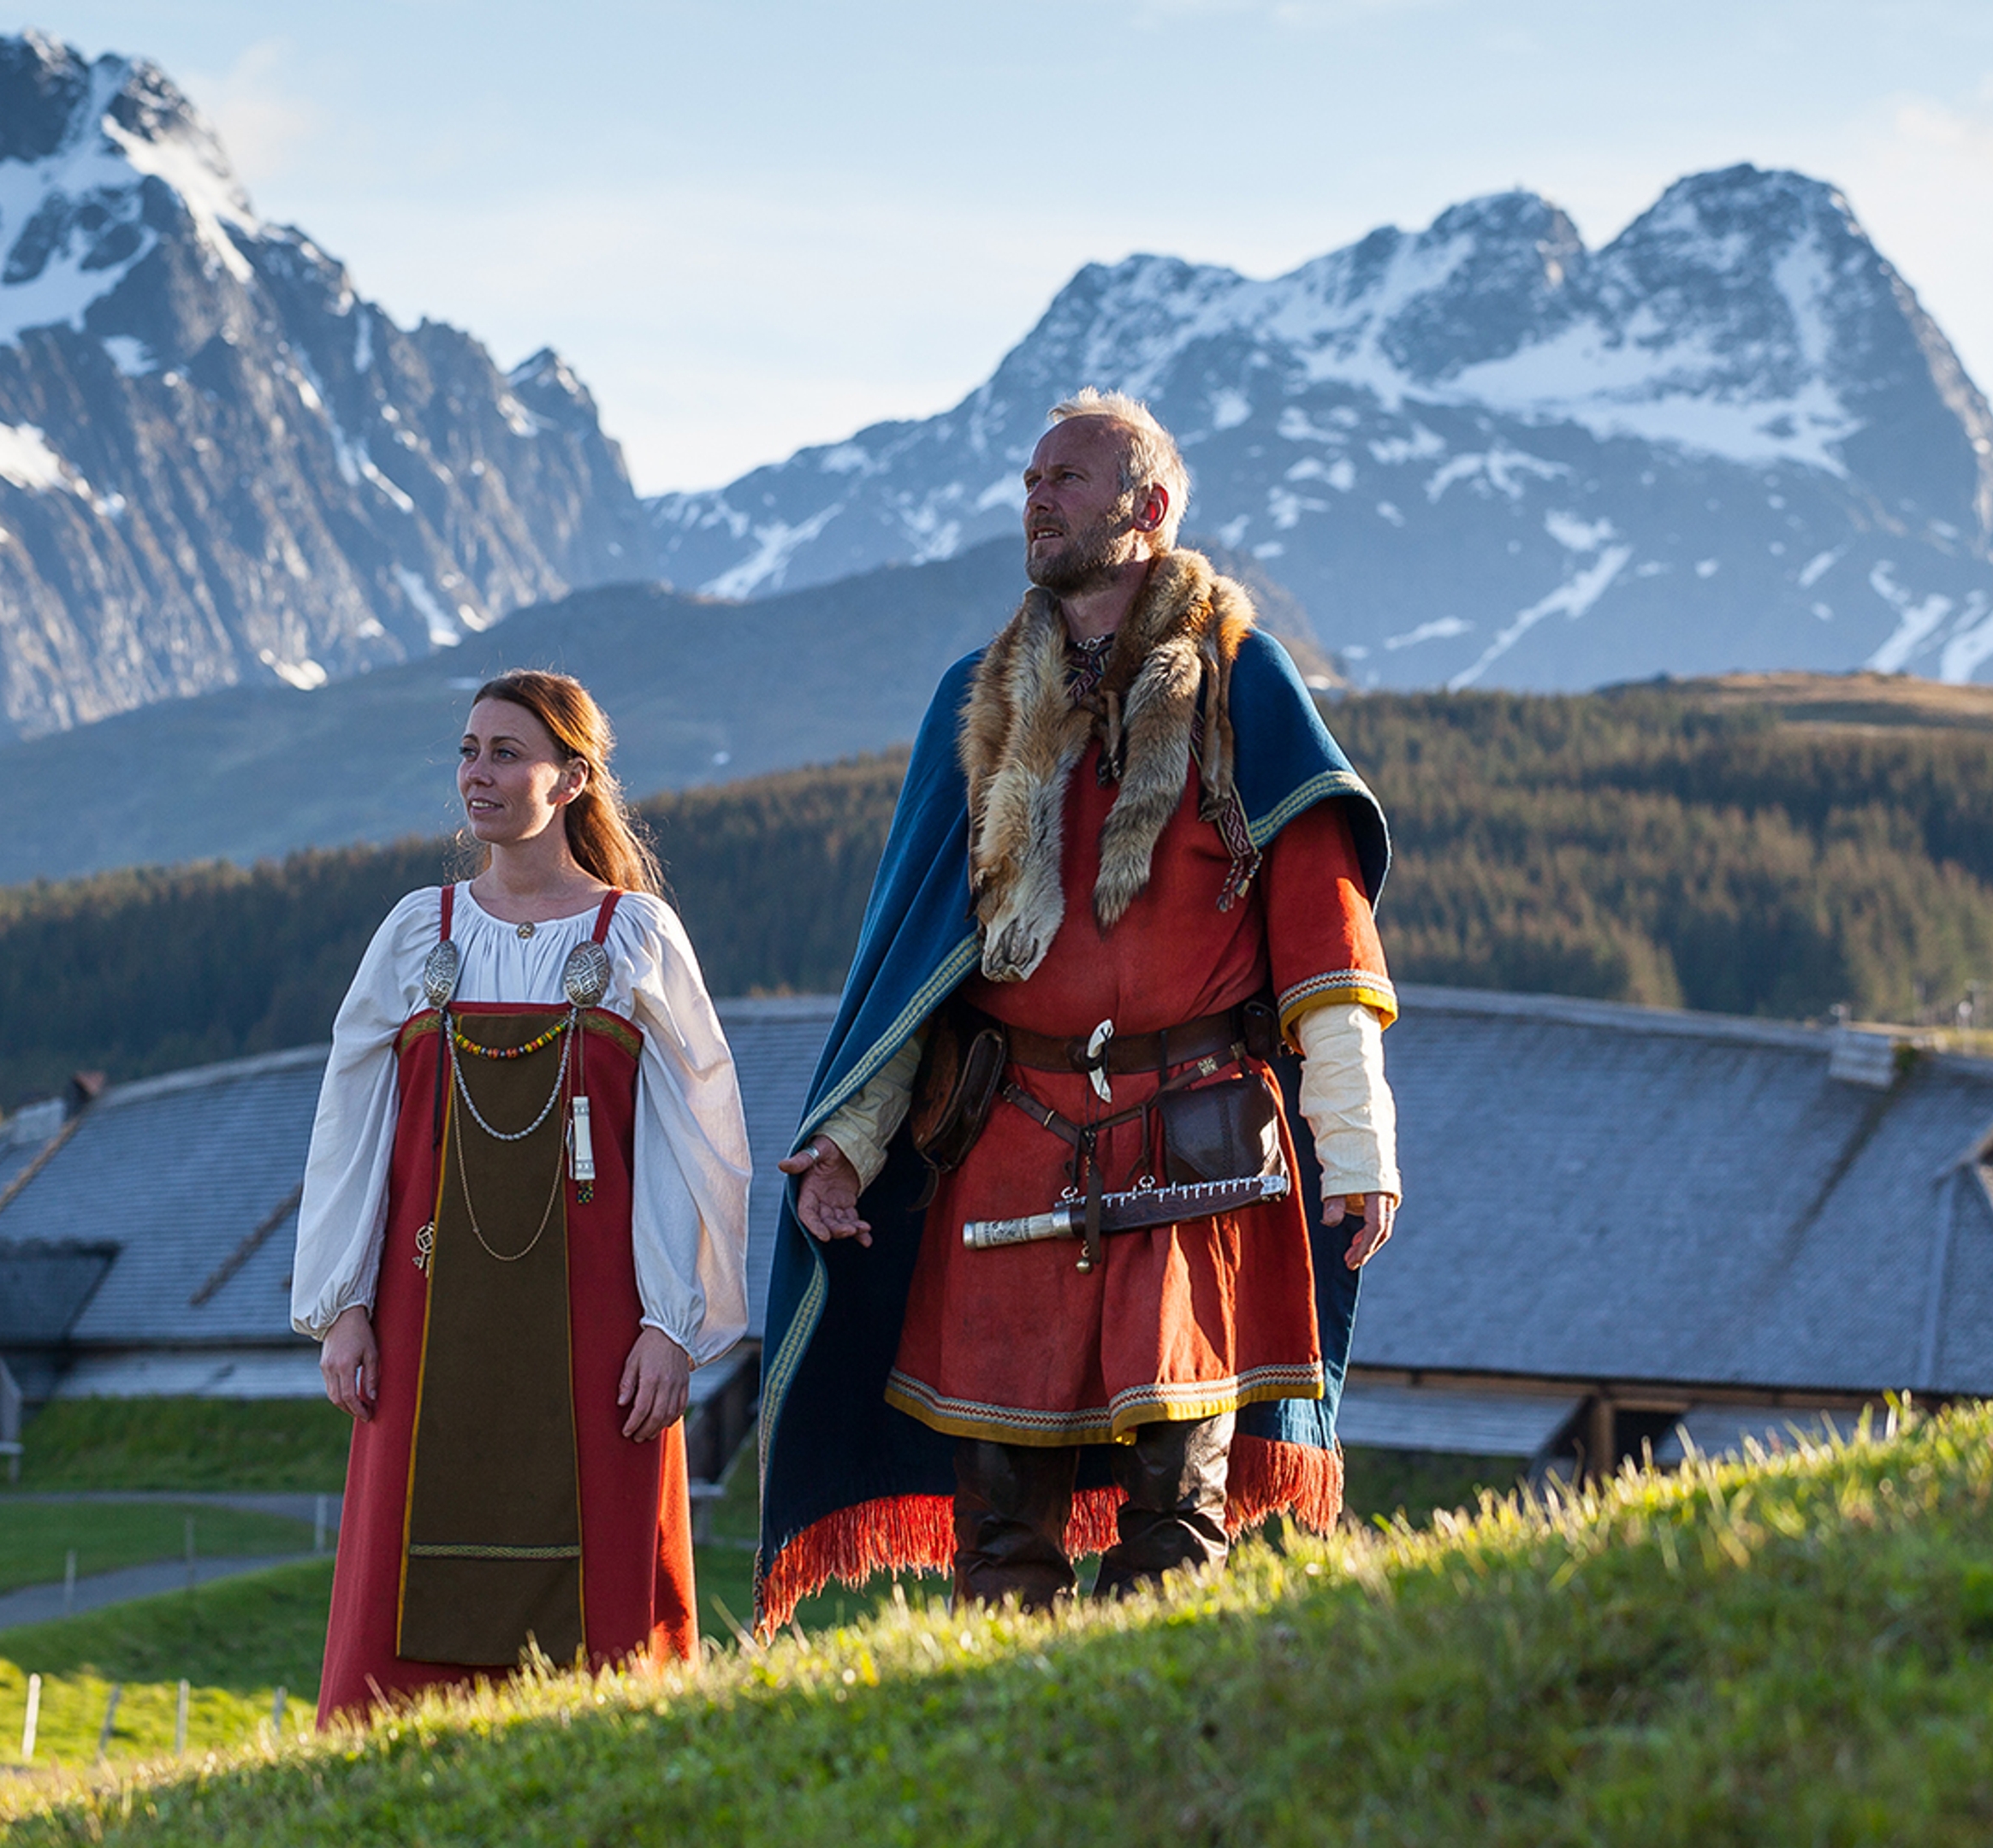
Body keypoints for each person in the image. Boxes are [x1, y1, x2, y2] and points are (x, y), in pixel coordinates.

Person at [756, 390, 1399, 1618]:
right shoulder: (981, 695)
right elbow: (921, 953)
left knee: (1175, 1502)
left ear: (1146, 510)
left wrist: (1357, 1144)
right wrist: (846, 1145)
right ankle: (1003, 1742)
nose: (1037, 500)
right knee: (1000, 1509)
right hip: (1009, 1135)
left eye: (1067, 479)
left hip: (1196, 1140)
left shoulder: (1240, 681)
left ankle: (1155, 1738)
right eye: (1031, 480)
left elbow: (1326, 938)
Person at [293, 670, 752, 1722]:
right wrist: (344, 1305)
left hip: (599, 1322)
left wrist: (672, 1328)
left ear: (573, 778)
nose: (478, 773)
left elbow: (699, 1143)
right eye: (468, 751)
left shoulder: (635, 937)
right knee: (403, 1584)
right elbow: (349, 1125)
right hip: (424, 1314)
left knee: (605, 1623)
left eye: (506, 752)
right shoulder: (420, 934)